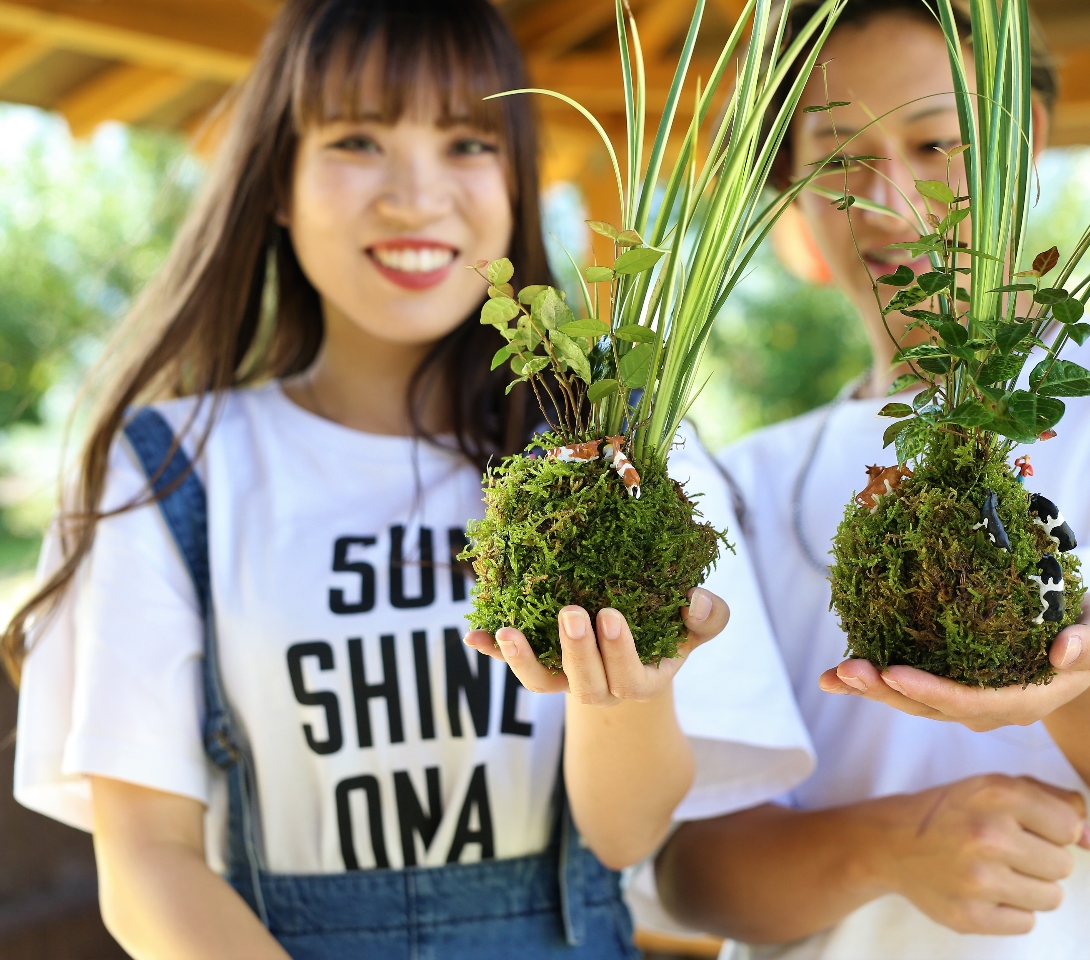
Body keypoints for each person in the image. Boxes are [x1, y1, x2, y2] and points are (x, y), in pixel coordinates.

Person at [4, 2, 814, 957]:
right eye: (358, 138)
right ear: (278, 179)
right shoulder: (168, 470)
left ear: (517, 179)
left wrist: (624, 693)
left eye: (469, 142)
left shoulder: (628, 459)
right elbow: (148, 867)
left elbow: (627, 837)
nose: (416, 195)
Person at [655, 2, 1090, 958]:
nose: (888, 200)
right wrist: (890, 847)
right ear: (788, 180)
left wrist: (1081, 679)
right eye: (835, 157)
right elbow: (691, 876)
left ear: (1019, 136)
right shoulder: (747, 482)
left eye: (937, 141)